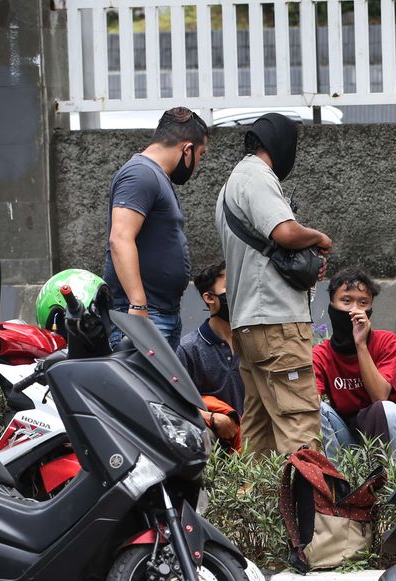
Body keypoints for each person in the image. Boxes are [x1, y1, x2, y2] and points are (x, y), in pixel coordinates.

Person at [216, 113, 332, 455]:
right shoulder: (257, 178)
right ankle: (312, 510)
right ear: (280, 144)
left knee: (260, 430)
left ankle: (253, 507)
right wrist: (319, 237)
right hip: (277, 323)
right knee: (299, 422)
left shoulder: (229, 187)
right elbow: (283, 231)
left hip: (248, 324)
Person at [104, 107, 209, 351]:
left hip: (161, 314)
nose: (198, 164)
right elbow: (120, 239)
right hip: (144, 315)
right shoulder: (140, 174)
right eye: (200, 154)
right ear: (187, 149)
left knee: (160, 391)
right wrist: (138, 305)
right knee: (140, 390)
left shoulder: (155, 176)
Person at [313, 268, 396, 466]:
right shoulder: (322, 353)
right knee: (312, 407)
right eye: (346, 301)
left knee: (385, 408)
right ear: (332, 305)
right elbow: (311, 403)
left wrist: (360, 344)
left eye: (363, 303)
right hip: (350, 438)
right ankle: (340, 480)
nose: (354, 310)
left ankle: (390, 481)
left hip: (393, 439)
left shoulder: (386, 341)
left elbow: (379, 396)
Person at [176, 262, 243, 451]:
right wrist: (212, 418)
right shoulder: (189, 348)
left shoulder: (253, 343)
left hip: (255, 441)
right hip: (216, 442)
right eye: (230, 287)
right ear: (209, 297)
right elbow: (173, 402)